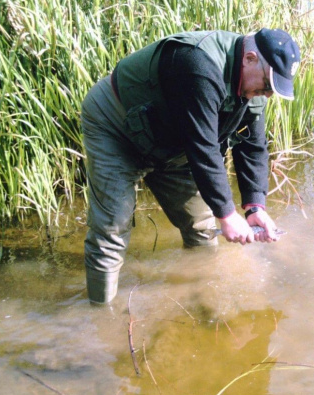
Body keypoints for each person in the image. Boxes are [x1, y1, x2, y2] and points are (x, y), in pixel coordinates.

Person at [80, 28, 301, 304]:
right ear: (250, 58)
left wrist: (254, 206)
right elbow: (204, 147)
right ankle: (100, 316)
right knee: (112, 227)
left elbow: (253, 146)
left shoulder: (253, 88)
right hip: (116, 127)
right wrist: (228, 214)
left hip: (171, 142)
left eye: (273, 90)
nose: (267, 95)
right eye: (268, 85)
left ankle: (202, 303)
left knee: (202, 230)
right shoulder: (198, 64)